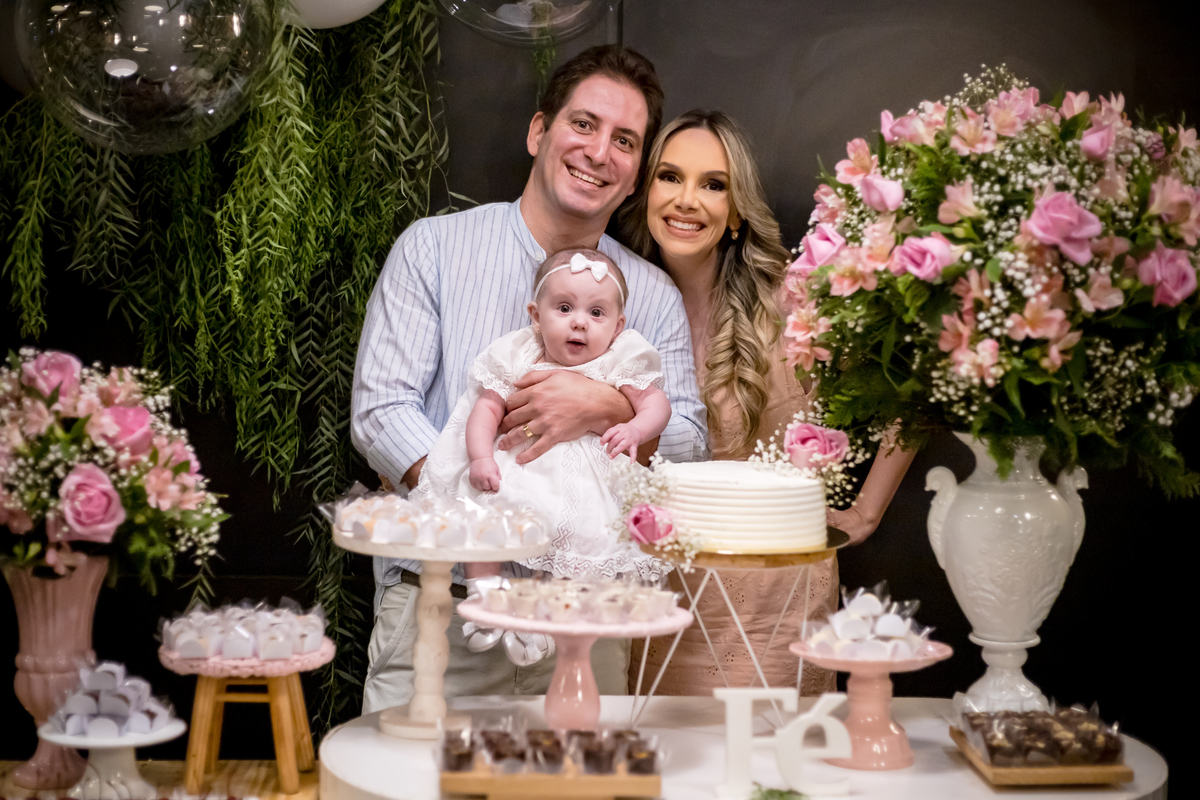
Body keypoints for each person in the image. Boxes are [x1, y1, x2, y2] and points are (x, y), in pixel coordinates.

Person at [351, 46, 707, 715]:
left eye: (624, 141)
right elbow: (382, 413)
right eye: (584, 125)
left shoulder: (652, 296)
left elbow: (690, 442)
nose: (600, 152)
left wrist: (603, 406)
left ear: (634, 176)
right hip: (443, 608)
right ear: (539, 131)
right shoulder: (433, 249)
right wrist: (483, 514)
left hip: (589, 620)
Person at [621, 110, 915, 695]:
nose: (687, 200)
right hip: (654, 603)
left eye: (713, 184)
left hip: (776, 608)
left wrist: (866, 512)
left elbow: (908, 387)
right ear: (645, 190)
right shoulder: (611, 302)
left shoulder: (791, 299)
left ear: (736, 211)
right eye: (670, 177)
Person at [416, 247, 671, 585]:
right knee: (480, 517)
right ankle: (484, 594)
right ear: (536, 316)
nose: (579, 321)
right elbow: (486, 407)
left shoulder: (618, 359)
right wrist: (479, 457)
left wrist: (636, 429)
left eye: (597, 313)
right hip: (516, 471)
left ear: (617, 326)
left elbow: (657, 403)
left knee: (587, 540)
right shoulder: (518, 353)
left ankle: (553, 621)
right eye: (564, 308)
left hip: (586, 484)